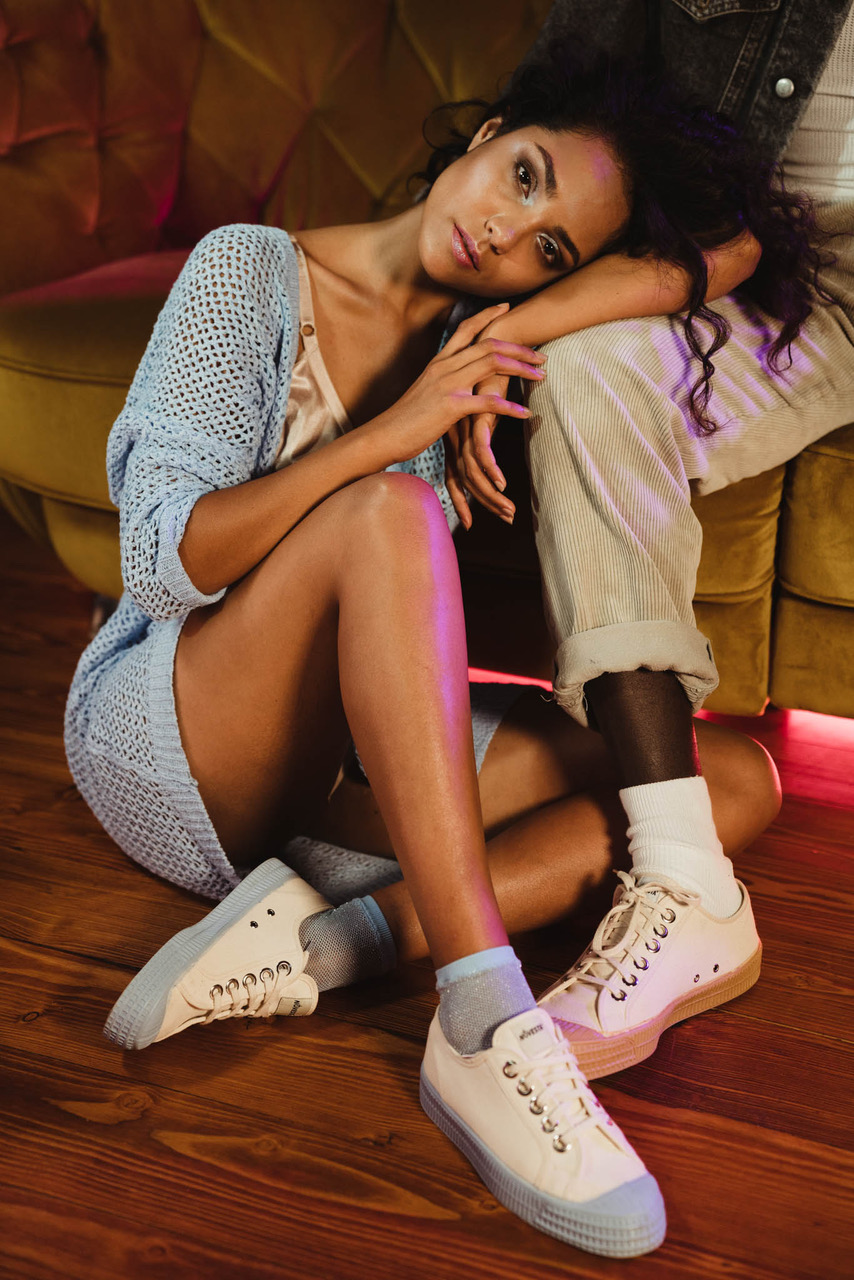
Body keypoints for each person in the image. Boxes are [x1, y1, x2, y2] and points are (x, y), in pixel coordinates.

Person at [64, 47, 799, 1258]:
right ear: (486, 133)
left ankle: (328, 942)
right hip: (165, 734)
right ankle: (479, 1017)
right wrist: (398, 433)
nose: (503, 228)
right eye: (522, 174)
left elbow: (709, 263)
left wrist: (549, 312)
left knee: (721, 783)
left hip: (331, 775)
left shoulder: (477, 342)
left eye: (548, 247)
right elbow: (159, 561)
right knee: (390, 513)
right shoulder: (249, 270)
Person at [444, 0, 854, 1076]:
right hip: (756, 256)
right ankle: (686, 878)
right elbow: (554, 98)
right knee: (583, 368)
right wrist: (477, 340)